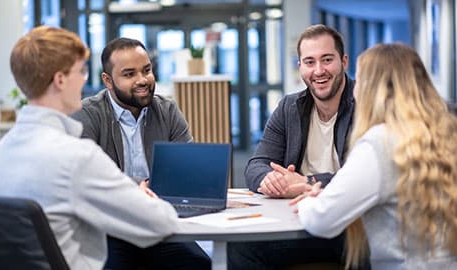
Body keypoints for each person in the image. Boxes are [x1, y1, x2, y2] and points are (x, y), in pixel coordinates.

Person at [0, 26, 179, 270]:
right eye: (81, 71)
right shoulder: (76, 157)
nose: (84, 80)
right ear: (60, 80)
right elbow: (161, 221)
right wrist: (145, 197)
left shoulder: (1, 153)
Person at [288, 43, 457, 269]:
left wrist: (310, 201)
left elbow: (322, 221)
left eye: (358, 79)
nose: (354, 89)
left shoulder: (379, 144)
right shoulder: (447, 133)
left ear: (371, 89)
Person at [71, 38, 210, 270]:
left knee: (199, 264)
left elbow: (187, 171)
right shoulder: (87, 115)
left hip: (157, 223)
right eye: (129, 74)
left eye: (146, 70)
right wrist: (137, 187)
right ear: (108, 80)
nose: (142, 80)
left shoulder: (167, 110)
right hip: (110, 228)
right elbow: (87, 180)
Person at [228, 24, 356, 269]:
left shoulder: (365, 102)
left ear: (344, 62)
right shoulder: (290, 107)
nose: (319, 70)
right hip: (300, 220)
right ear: (300, 67)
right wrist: (270, 180)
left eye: (327, 59)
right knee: (241, 247)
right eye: (309, 62)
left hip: (351, 225)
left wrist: (306, 183)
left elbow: (360, 177)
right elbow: (256, 164)